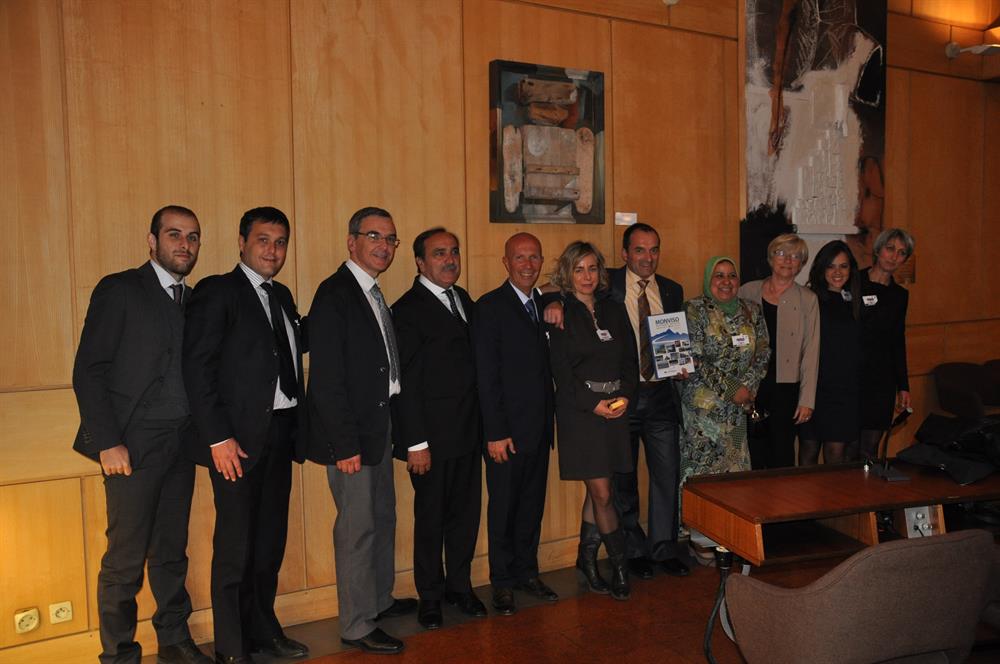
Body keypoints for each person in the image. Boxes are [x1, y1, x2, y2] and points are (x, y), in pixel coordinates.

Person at [73, 205, 211, 664]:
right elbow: (89, 370)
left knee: (171, 551)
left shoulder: (195, 301)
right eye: (174, 234)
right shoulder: (120, 289)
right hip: (130, 447)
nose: (184, 244)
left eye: (192, 237)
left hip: (181, 444)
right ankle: (119, 655)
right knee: (125, 560)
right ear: (152, 241)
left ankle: (173, 639)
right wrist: (107, 441)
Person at [183, 207, 309, 663]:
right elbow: (197, 368)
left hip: (281, 433)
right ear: (242, 242)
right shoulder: (218, 291)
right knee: (235, 549)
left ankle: (263, 629)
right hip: (235, 442)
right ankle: (232, 649)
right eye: (263, 240)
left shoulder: (282, 296)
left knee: (269, 544)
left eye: (280, 242)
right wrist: (218, 438)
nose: (272, 251)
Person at [306, 207, 415, 655]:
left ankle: (378, 599)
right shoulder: (334, 294)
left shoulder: (371, 291)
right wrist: (344, 444)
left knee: (383, 515)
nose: (383, 246)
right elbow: (326, 379)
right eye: (374, 236)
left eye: (390, 238)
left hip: (379, 425)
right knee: (357, 528)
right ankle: (355, 623)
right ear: (351, 242)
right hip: (351, 435)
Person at [392, 228, 486, 629]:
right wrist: (415, 442)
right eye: (439, 253)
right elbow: (405, 383)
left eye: (454, 252)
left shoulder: (462, 298)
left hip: (468, 432)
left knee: (465, 516)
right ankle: (429, 596)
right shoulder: (407, 309)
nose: (450, 260)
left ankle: (459, 587)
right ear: (420, 262)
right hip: (429, 440)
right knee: (431, 519)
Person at [547, 241, 638, 601]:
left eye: (592, 268)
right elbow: (561, 373)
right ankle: (620, 568)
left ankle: (585, 561)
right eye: (578, 269)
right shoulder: (559, 312)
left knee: (600, 490)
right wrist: (593, 404)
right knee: (602, 492)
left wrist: (625, 396)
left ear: (601, 272)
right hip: (580, 414)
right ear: (567, 274)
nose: (586, 276)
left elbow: (630, 360)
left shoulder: (613, 309)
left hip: (615, 409)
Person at [473, 232, 557, 616]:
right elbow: (486, 376)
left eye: (534, 257)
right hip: (505, 434)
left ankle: (527, 572)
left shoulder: (543, 303)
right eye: (519, 258)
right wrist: (495, 432)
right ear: (506, 262)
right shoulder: (489, 307)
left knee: (531, 506)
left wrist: (556, 297)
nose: (528, 264)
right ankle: (502, 582)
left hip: (539, 429)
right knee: (504, 509)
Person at [608, 223, 689, 580]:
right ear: (625, 253)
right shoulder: (606, 284)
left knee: (666, 474)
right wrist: (553, 305)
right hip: (622, 396)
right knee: (623, 479)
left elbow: (676, 341)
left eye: (654, 249)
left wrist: (681, 365)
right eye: (639, 250)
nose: (647, 257)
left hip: (660, 395)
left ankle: (663, 548)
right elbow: (563, 286)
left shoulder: (671, 289)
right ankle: (634, 550)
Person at [680, 257, 769, 482]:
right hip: (703, 412)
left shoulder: (752, 310)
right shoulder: (693, 310)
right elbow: (694, 358)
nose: (726, 281)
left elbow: (763, 352)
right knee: (701, 480)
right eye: (719, 275)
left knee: (736, 479)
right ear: (708, 279)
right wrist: (732, 389)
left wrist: (746, 388)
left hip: (738, 409)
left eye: (732, 275)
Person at [739, 233, 819, 469]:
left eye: (795, 256)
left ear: (801, 264)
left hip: (786, 390)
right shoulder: (747, 291)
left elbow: (811, 352)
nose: (787, 260)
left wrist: (807, 400)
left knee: (782, 456)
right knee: (752, 454)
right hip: (751, 386)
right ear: (770, 258)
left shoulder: (808, 299)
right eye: (781, 253)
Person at [799, 241, 862, 465]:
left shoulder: (855, 300)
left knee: (836, 453)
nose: (837, 272)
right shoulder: (809, 298)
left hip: (845, 391)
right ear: (821, 268)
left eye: (843, 266)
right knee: (809, 449)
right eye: (831, 266)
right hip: (815, 388)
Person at [856, 228, 915, 461]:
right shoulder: (854, 281)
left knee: (869, 449)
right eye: (890, 249)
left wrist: (904, 386)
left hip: (882, 379)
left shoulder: (900, 296)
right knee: (846, 448)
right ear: (878, 249)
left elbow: (897, 341)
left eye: (901, 253)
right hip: (851, 375)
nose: (894, 256)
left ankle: (867, 485)